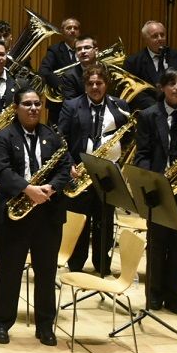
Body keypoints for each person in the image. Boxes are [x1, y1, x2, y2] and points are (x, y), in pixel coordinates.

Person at [0, 89, 71, 346]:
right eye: (27, 104)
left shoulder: (52, 136)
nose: (33, 108)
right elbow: (1, 171)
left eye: (37, 104)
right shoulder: (3, 136)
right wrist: (28, 189)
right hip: (15, 213)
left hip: (47, 214)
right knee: (8, 272)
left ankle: (45, 326)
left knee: (46, 274)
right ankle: (2, 324)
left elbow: (65, 167)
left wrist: (51, 188)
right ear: (16, 108)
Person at [132, 69, 177, 314]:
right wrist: (152, 180)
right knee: (157, 242)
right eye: (172, 83)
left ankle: (173, 294)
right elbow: (142, 154)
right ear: (162, 87)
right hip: (159, 188)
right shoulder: (150, 116)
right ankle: (153, 293)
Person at [56, 67, 131, 277]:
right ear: (85, 85)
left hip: (107, 174)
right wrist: (69, 163)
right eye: (90, 84)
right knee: (79, 221)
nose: (95, 87)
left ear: (106, 84)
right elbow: (61, 139)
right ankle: (76, 266)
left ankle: (102, 266)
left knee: (104, 221)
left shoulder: (120, 106)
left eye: (99, 83)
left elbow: (127, 136)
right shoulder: (72, 105)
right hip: (79, 173)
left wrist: (119, 157)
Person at [122, 20, 177, 111]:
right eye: (155, 36)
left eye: (162, 35)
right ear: (145, 39)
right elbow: (133, 92)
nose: (160, 39)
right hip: (149, 112)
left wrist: (174, 102)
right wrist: (158, 108)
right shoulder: (133, 62)